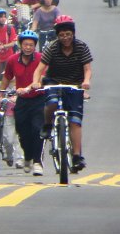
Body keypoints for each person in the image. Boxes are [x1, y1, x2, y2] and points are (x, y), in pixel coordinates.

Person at [31, 15, 92, 171]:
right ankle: (47, 124)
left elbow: (87, 69)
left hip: (75, 84)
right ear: (57, 35)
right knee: (51, 103)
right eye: (62, 35)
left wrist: (86, 82)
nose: (65, 38)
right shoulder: (52, 47)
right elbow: (39, 69)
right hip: (54, 81)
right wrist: (36, 82)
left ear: (73, 34)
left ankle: (77, 156)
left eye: (68, 34)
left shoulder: (81, 47)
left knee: (75, 120)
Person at [0, 30, 45, 176]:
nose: (28, 47)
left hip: (38, 99)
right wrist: (0, 92)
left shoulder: (41, 59)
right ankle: (28, 157)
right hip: (22, 102)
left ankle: (37, 162)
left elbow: (43, 77)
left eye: (31, 45)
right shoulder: (12, 60)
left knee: (37, 130)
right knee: (23, 132)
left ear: (35, 46)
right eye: (25, 44)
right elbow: (7, 78)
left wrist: (36, 84)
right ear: (20, 45)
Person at [0, 7, 18, 78]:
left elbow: (13, 43)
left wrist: (4, 46)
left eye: (4, 17)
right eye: (1, 17)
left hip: (9, 57)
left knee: (9, 78)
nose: (3, 19)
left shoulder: (10, 29)